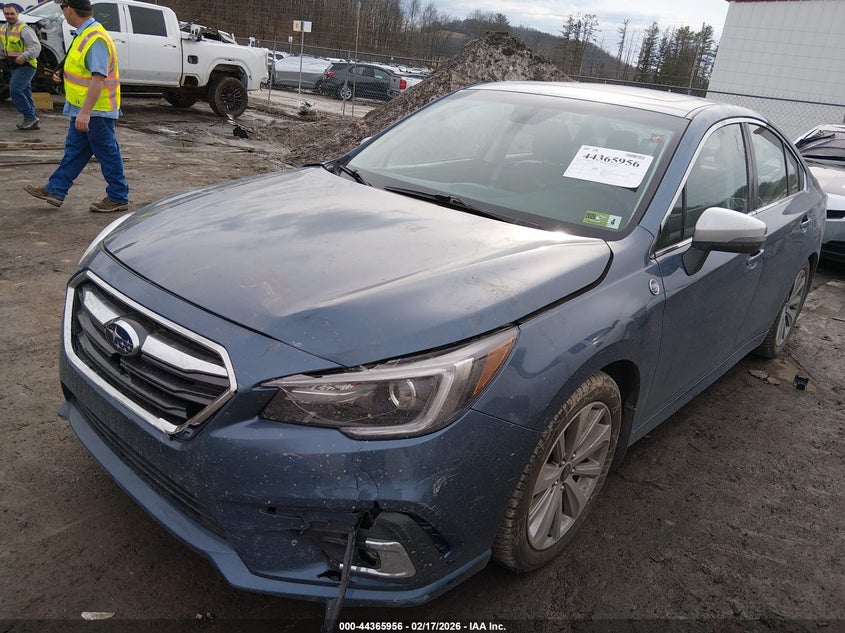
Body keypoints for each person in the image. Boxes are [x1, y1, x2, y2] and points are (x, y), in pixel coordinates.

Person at [24, 0, 129, 212]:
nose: (63, 14)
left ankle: (118, 196)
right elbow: (83, 69)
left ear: (69, 10)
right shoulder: (85, 33)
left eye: (63, 10)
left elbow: (98, 79)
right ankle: (56, 189)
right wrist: (62, 74)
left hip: (95, 110)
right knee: (75, 151)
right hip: (84, 108)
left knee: (107, 152)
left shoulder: (95, 38)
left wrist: (86, 113)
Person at [1, 2, 42, 130]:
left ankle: (30, 117)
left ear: (17, 13)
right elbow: (3, 49)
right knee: (25, 92)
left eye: (12, 13)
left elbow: (36, 47)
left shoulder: (24, 29)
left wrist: (24, 56)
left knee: (15, 90)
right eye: (7, 14)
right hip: (13, 65)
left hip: (27, 65)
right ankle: (33, 120)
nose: (9, 16)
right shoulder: (3, 29)